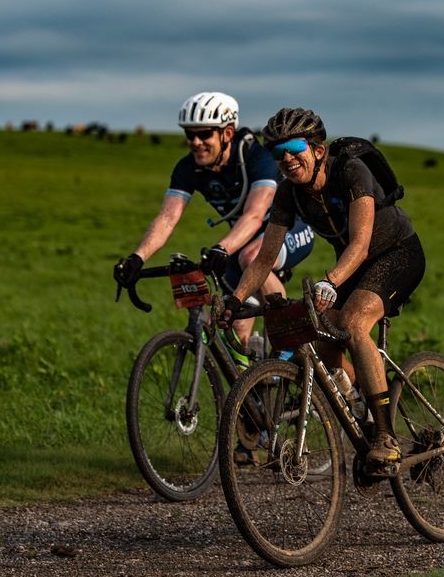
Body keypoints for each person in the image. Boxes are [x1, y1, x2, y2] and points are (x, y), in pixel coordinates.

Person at [220, 107, 425, 472]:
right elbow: (266, 258)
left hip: (397, 255)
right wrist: (236, 299)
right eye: (278, 152)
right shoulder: (288, 193)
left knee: (354, 321)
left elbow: (361, 245)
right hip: (353, 266)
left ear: (317, 149)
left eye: (295, 147)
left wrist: (330, 281)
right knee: (318, 335)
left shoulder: (350, 172)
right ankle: (357, 406)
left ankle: (385, 437)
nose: (287, 158)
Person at [113, 92, 315, 344]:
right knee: (227, 327)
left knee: (251, 257)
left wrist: (221, 248)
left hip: (291, 229)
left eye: (205, 134)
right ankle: (257, 380)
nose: (196, 142)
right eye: (190, 135)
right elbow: (167, 218)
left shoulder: (256, 157)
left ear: (227, 133)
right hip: (240, 243)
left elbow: (254, 215)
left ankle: (295, 344)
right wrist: (137, 258)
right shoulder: (189, 168)